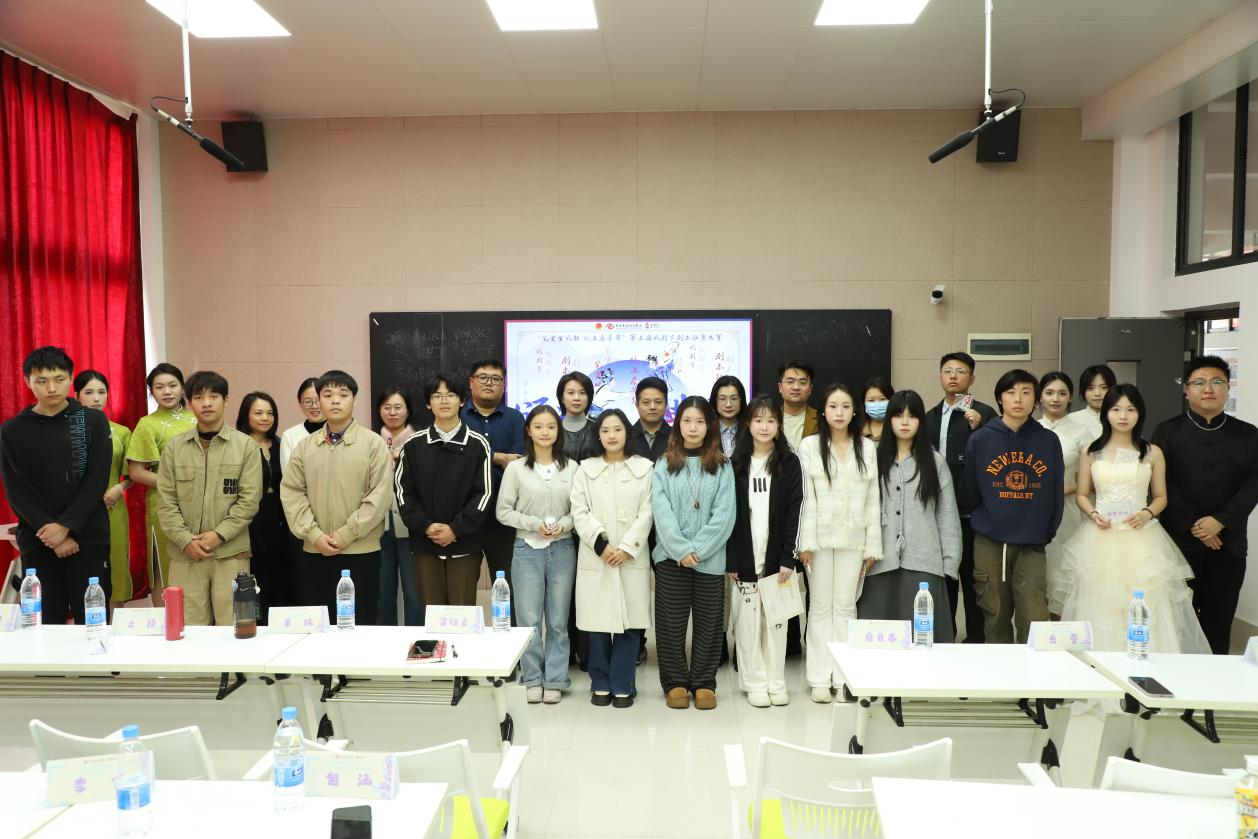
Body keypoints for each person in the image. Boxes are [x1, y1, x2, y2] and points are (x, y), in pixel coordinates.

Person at [1053, 385, 1210, 654]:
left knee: (1146, 601)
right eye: (1116, 409)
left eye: (1130, 409)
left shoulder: (1152, 452)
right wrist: (1093, 514)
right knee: (1100, 601)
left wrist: (1146, 513)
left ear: (1140, 413)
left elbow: (1160, 497)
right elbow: (1081, 494)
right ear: (1106, 413)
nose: (1123, 416)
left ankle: (1146, 664)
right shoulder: (1091, 451)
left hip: (1141, 536)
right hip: (1101, 536)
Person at [1152, 355, 1258, 654]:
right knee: (1177, 624)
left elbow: (1254, 484)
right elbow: (1161, 483)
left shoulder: (1248, 434)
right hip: (1179, 543)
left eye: (1216, 382)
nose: (1208, 389)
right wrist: (1194, 525)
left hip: (1229, 543)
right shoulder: (1166, 432)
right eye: (1199, 382)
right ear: (1186, 390)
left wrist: (1220, 521)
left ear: (1228, 388)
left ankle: (1214, 681)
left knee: (1218, 623)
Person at [0, 347, 112, 624]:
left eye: (59, 379)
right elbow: (16, 488)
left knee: (93, 623)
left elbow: (97, 480)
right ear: (27, 382)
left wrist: (66, 527)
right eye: (41, 381)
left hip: (88, 538)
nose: (51, 388)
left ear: (71, 379)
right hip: (39, 540)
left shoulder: (92, 421)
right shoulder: (12, 430)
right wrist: (51, 532)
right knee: (43, 623)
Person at [281, 370, 393, 625]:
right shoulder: (305, 447)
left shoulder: (373, 444)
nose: (335, 400)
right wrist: (314, 535)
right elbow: (292, 493)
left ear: (354, 400)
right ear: (319, 401)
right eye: (327, 395)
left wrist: (346, 534)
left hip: (361, 551)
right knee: (319, 625)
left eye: (343, 395)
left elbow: (379, 496)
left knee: (360, 623)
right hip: (315, 551)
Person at [962, 369, 1064, 644]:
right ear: (999, 399)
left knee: (1034, 618)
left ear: (1035, 400)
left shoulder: (1048, 441)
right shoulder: (980, 439)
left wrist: (1046, 532)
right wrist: (987, 521)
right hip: (990, 542)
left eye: (1026, 392)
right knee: (994, 614)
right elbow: (970, 491)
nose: (1018, 399)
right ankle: (1000, 672)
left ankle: (1033, 673)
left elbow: (1055, 493)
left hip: (1032, 543)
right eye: (1011, 392)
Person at [156, 372, 262, 627]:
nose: (206, 403)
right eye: (198, 397)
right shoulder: (174, 448)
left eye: (213, 396)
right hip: (185, 556)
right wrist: (185, 540)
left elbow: (249, 501)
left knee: (238, 626)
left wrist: (219, 535)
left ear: (226, 400)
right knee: (187, 629)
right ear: (189, 402)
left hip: (232, 554)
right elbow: (166, 502)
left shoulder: (245, 446)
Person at [798, 383, 881, 703]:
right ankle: (819, 678)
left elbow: (873, 499)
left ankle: (844, 677)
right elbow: (806, 498)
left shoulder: (867, 448)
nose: (840, 412)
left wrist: (872, 546)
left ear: (854, 411)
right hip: (818, 541)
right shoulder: (809, 446)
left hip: (854, 539)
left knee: (846, 607)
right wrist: (805, 543)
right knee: (820, 608)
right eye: (833, 406)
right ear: (823, 411)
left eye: (846, 406)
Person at [652, 396, 735, 711]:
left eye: (700, 421)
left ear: (709, 426)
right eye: (687, 420)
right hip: (670, 558)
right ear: (678, 424)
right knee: (670, 625)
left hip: (709, 560)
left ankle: (703, 682)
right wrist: (681, 549)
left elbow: (725, 515)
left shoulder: (723, 465)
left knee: (709, 625)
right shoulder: (663, 464)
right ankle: (675, 682)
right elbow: (661, 512)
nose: (693, 427)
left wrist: (696, 551)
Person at [861, 390, 960, 641]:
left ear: (921, 421)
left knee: (923, 637)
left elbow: (946, 514)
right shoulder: (872, 458)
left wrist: (950, 561)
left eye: (912, 416)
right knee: (879, 639)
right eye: (898, 415)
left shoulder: (935, 462)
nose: (905, 422)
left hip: (924, 560)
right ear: (889, 419)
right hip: (879, 560)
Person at [572, 409, 654, 708]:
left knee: (630, 625)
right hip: (597, 557)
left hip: (630, 557)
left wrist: (628, 547)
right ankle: (600, 683)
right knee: (597, 625)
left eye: (617, 429)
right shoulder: (585, 469)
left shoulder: (645, 468)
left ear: (627, 433)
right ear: (598, 435)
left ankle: (622, 685)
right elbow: (579, 511)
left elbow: (648, 512)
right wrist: (601, 544)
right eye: (605, 430)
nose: (611, 435)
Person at [496, 405, 578, 704]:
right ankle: (531, 678)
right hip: (526, 549)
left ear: (558, 431)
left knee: (557, 620)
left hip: (563, 548)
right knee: (529, 619)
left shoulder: (572, 468)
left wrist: (562, 525)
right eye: (539, 426)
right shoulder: (516, 469)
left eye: (551, 427)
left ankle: (555, 678)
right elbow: (503, 511)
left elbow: (580, 511)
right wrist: (534, 524)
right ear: (528, 431)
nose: (545, 432)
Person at [726, 396, 803, 708]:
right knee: (747, 623)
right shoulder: (735, 464)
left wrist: (788, 557)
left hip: (778, 560)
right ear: (748, 424)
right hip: (745, 557)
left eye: (771, 420)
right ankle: (754, 682)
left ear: (779, 426)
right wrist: (732, 559)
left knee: (776, 623)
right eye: (758, 420)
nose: (764, 426)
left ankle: (776, 681)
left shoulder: (790, 463)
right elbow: (729, 515)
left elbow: (796, 511)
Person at [395, 373, 493, 609]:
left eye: (450, 395)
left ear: (462, 401)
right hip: (425, 544)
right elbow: (403, 494)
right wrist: (426, 526)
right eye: (437, 396)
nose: (444, 401)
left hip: (465, 544)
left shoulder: (478, 444)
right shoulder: (413, 445)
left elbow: (484, 495)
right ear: (429, 403)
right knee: (432, 613)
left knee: (462, 615)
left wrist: (455, 529)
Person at [925, 351, 996, 643]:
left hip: (972, 513)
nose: (953, 376)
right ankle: (945, 637)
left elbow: (997, 457)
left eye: (961, 371)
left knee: (973, 580)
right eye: (948, 371)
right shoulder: (929, 416)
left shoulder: (986, 414)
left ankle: (976, 640)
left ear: (972, 379)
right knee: (944, 579)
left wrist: (982, 427)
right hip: (937, 513)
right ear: (940, 376)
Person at [460, 359, 525, 610]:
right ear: (471, 382)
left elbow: (517, 461)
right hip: (466, 517)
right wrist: (497, 457)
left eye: (496, 379)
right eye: (483, 377)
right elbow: (458, 460)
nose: (489, 383)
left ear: (504, 385)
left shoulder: (515, 418)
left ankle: (511, 634)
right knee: (463, 588)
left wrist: (478, 458)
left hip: (505, 519)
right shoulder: (457, 417)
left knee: (509, 587)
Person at [126, 363, 196, 594]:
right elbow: (136, 472)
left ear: (182, 388)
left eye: (172, 385)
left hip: (201, 502)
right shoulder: (147, 424)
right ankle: (166, 616)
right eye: (159, 387)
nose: (167, 391)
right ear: (151, 391)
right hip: (163, 504)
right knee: (165, 570)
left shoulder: (197, 419)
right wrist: (174, 484)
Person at [74, 370, 134, 608]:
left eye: (101, 392)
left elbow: (132, 473)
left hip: (113, 507)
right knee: (82, 569)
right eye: (89, 392)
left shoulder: (121, 432)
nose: (96, 398)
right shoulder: (68, 430)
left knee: (115, 564)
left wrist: (119, 488)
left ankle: (116, 621)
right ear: (76, 396)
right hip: (77, 511)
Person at [235, 391, 294, 621]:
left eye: (270, 413)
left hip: (281, 516)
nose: (265, 418)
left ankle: (282, 623)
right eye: (258, 413)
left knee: (283, 571)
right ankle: (256, 623)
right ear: (246, 415)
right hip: (250, 517)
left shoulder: (281, 444)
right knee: (256, 574)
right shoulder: (238, 445)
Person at [1037, 372, 1091, 616]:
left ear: (1070, 397)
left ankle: (1062, 628)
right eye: (1049, 393)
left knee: (1064, 573)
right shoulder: (1030, 429)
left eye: (1062, 393)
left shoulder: (1082, 432)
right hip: (1032, 511)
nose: (1055, 398)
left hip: (1068, 511)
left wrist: (1056, 492)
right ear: (1040, 397)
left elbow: (1090, 479)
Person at [377, 387, 422, 626]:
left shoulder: (420, 442)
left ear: (408, 410)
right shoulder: (371, 442)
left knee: (414, 593)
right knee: (382, 593)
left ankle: (417, 641)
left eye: (398, 407)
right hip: (377, 526)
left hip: (411, 527)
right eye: (387, 407)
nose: (392, 413)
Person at [279, 377, 325, 471]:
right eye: (308, 401)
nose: (314, 406)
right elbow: (289, 475)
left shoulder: (339, 431)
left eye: (319, 400)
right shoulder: (290, 436)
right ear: (300, 404)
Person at [626, 376, 671, 462]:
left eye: (658, 402)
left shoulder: (677, 437)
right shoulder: (626, 437)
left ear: (666, 405)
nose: (652, 407)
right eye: (646, 402)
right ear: (637, 406)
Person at [777, 360, 818, 452]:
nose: (796, 387)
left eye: (802, 382)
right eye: (790, 382)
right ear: (780, 387)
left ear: (810, 389)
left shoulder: (821, 420)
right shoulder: (770, 419)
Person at [557, 371, 597, 462]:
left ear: (589, 398)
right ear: (562, 398)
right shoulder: (553, 430)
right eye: (571, 393)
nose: (576, 398)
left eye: (582, 393)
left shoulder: (599, 429)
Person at [1070, 364, 1116, 442]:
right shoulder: (1071, 419)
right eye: (1091, 388)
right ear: (1083, 391)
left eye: (1104, 387)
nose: (1097, 393)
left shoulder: (1122, 419)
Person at [710, 375, 748, 457]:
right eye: (722, 399)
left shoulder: (749, 429)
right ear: (715, 401)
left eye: (734, 399)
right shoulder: (708, 429)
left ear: (741, 400)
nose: (728, 404)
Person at [862, 377, 894, 444]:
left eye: (882, 399)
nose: (877, 404)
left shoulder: (897, 430)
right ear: (864, 403)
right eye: (871, 400)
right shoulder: (856, 430)